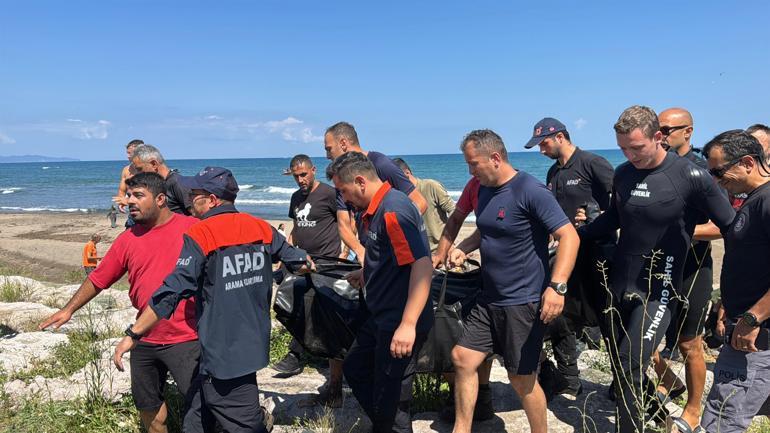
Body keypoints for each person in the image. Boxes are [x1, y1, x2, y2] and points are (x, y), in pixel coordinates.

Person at [113, 166, 312, 433]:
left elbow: (172, 291)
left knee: (243, 423)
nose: (188, 198)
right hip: (251, 341)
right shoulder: (260, 227)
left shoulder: (202, 233)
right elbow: (299, 260)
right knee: (196, 421)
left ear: (212, 200)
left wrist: (134, 333)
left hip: (223, 350)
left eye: (194, 194)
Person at [577, 106, 735, 433]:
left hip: (660, 287)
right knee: (622, 364)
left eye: (636, 147)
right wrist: (572, 234)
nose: (629, 155)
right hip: (621, 281)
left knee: (629, 362)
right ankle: (657, 418)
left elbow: (731, 226)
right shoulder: (623, 174)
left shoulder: (691, 176)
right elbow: (614, 218)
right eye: (623, 148)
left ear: (658, 137)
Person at [41, 172, 200, 433]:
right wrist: (68, 310)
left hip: (187, 336)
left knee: (203, 406)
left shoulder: (192, 228)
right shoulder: (127, 238)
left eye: (138, 195)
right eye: (128, 195)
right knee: (149, 409)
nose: (129, 201)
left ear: (161, 199)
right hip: (144, 337)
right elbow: (99, 279)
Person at [447, 129, 580, 433]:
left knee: (521, 379)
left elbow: (569, 236)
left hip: (522, 301)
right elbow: (487, 229)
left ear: (495, 158)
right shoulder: (483, 189)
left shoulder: (530, 190)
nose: (470, 171)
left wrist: (557, 287)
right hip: (488, 298)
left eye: (473, 164)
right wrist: (463, 247)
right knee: (463, 358)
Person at [327, 151, 433, 433]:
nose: (344, 199)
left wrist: (408, 324)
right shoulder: (374, 209)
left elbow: (422, 265)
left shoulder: (392, 211)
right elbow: (391, 255)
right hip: (381, 316)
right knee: (356, 368)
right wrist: (367, 273)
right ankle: (383, 423)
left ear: (361, 182)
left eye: (343, 191)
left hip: (400, 319)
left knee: (393, 402)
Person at [525, 117, 614, 400]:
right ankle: (569, 379)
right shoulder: (554, 172)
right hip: (566, 255)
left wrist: (597, 214)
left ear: (560, 137)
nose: (541, 150)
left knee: (608, 316)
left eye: (544, 144)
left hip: (598, 252)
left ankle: (625, 379)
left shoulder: (592, 163)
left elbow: (621, 203)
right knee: (559, 313)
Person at [699, 130, 770, 433]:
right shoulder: (752, 200)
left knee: (720, 420)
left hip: (755, 336)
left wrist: (753, 317)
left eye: (719, 171)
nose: (716, 180)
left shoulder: (766, 201)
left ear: (748, 162)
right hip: (748, 328)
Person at [651, 107, 713, 429]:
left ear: (688, 132)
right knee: (642, 336)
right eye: (656, 129)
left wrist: (677, 232)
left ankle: (693, 409)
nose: (659, 135)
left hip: (693, 267)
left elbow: (721, 225)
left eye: (666, 130)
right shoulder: (653, 167)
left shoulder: (701, 171)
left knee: (690, 343)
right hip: (657, 266)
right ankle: (669, 380)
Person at [272, 154, 346, 409]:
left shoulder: (329, 194)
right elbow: (296, 228)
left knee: (326, 315)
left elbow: (345, 223)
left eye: (304, 174)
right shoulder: (295, 198)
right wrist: (285, 254)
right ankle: (299, 354)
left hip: (327, 263)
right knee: (296, 307)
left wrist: (344, 254)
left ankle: (327, 376)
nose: (301, 180)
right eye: (296, 176)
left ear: (313, 170)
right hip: (301, 262)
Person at [323, 121, 427, 263]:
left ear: (343, 143)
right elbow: (343, 224)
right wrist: (360, 251)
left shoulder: (380, 164)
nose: (327, 156)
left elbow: (420, 203)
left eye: (329, 149)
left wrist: (391, 236)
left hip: (391, 252)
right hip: (369, 252)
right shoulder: (342, 179)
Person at [392, 157, 455, 251]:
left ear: (407, 173)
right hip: (418, 252)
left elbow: (453, 211)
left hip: (440, 249)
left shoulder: (430, 186)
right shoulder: (399, 197)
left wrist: (448, 242)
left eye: (395, 179)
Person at [131, 144, 193, 216]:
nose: (137, 174)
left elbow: (196, 214)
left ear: (154, 164)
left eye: (139, 169)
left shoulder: (177, 182)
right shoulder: (159, 185)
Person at [114, 139, 144, 228]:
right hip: (133, 212)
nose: (128, 156)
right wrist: (121, 202)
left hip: (147, 212)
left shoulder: (147, 169)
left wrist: (127, 201)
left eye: (130, 153)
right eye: (127, 153)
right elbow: (122, 190)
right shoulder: (126, 170)